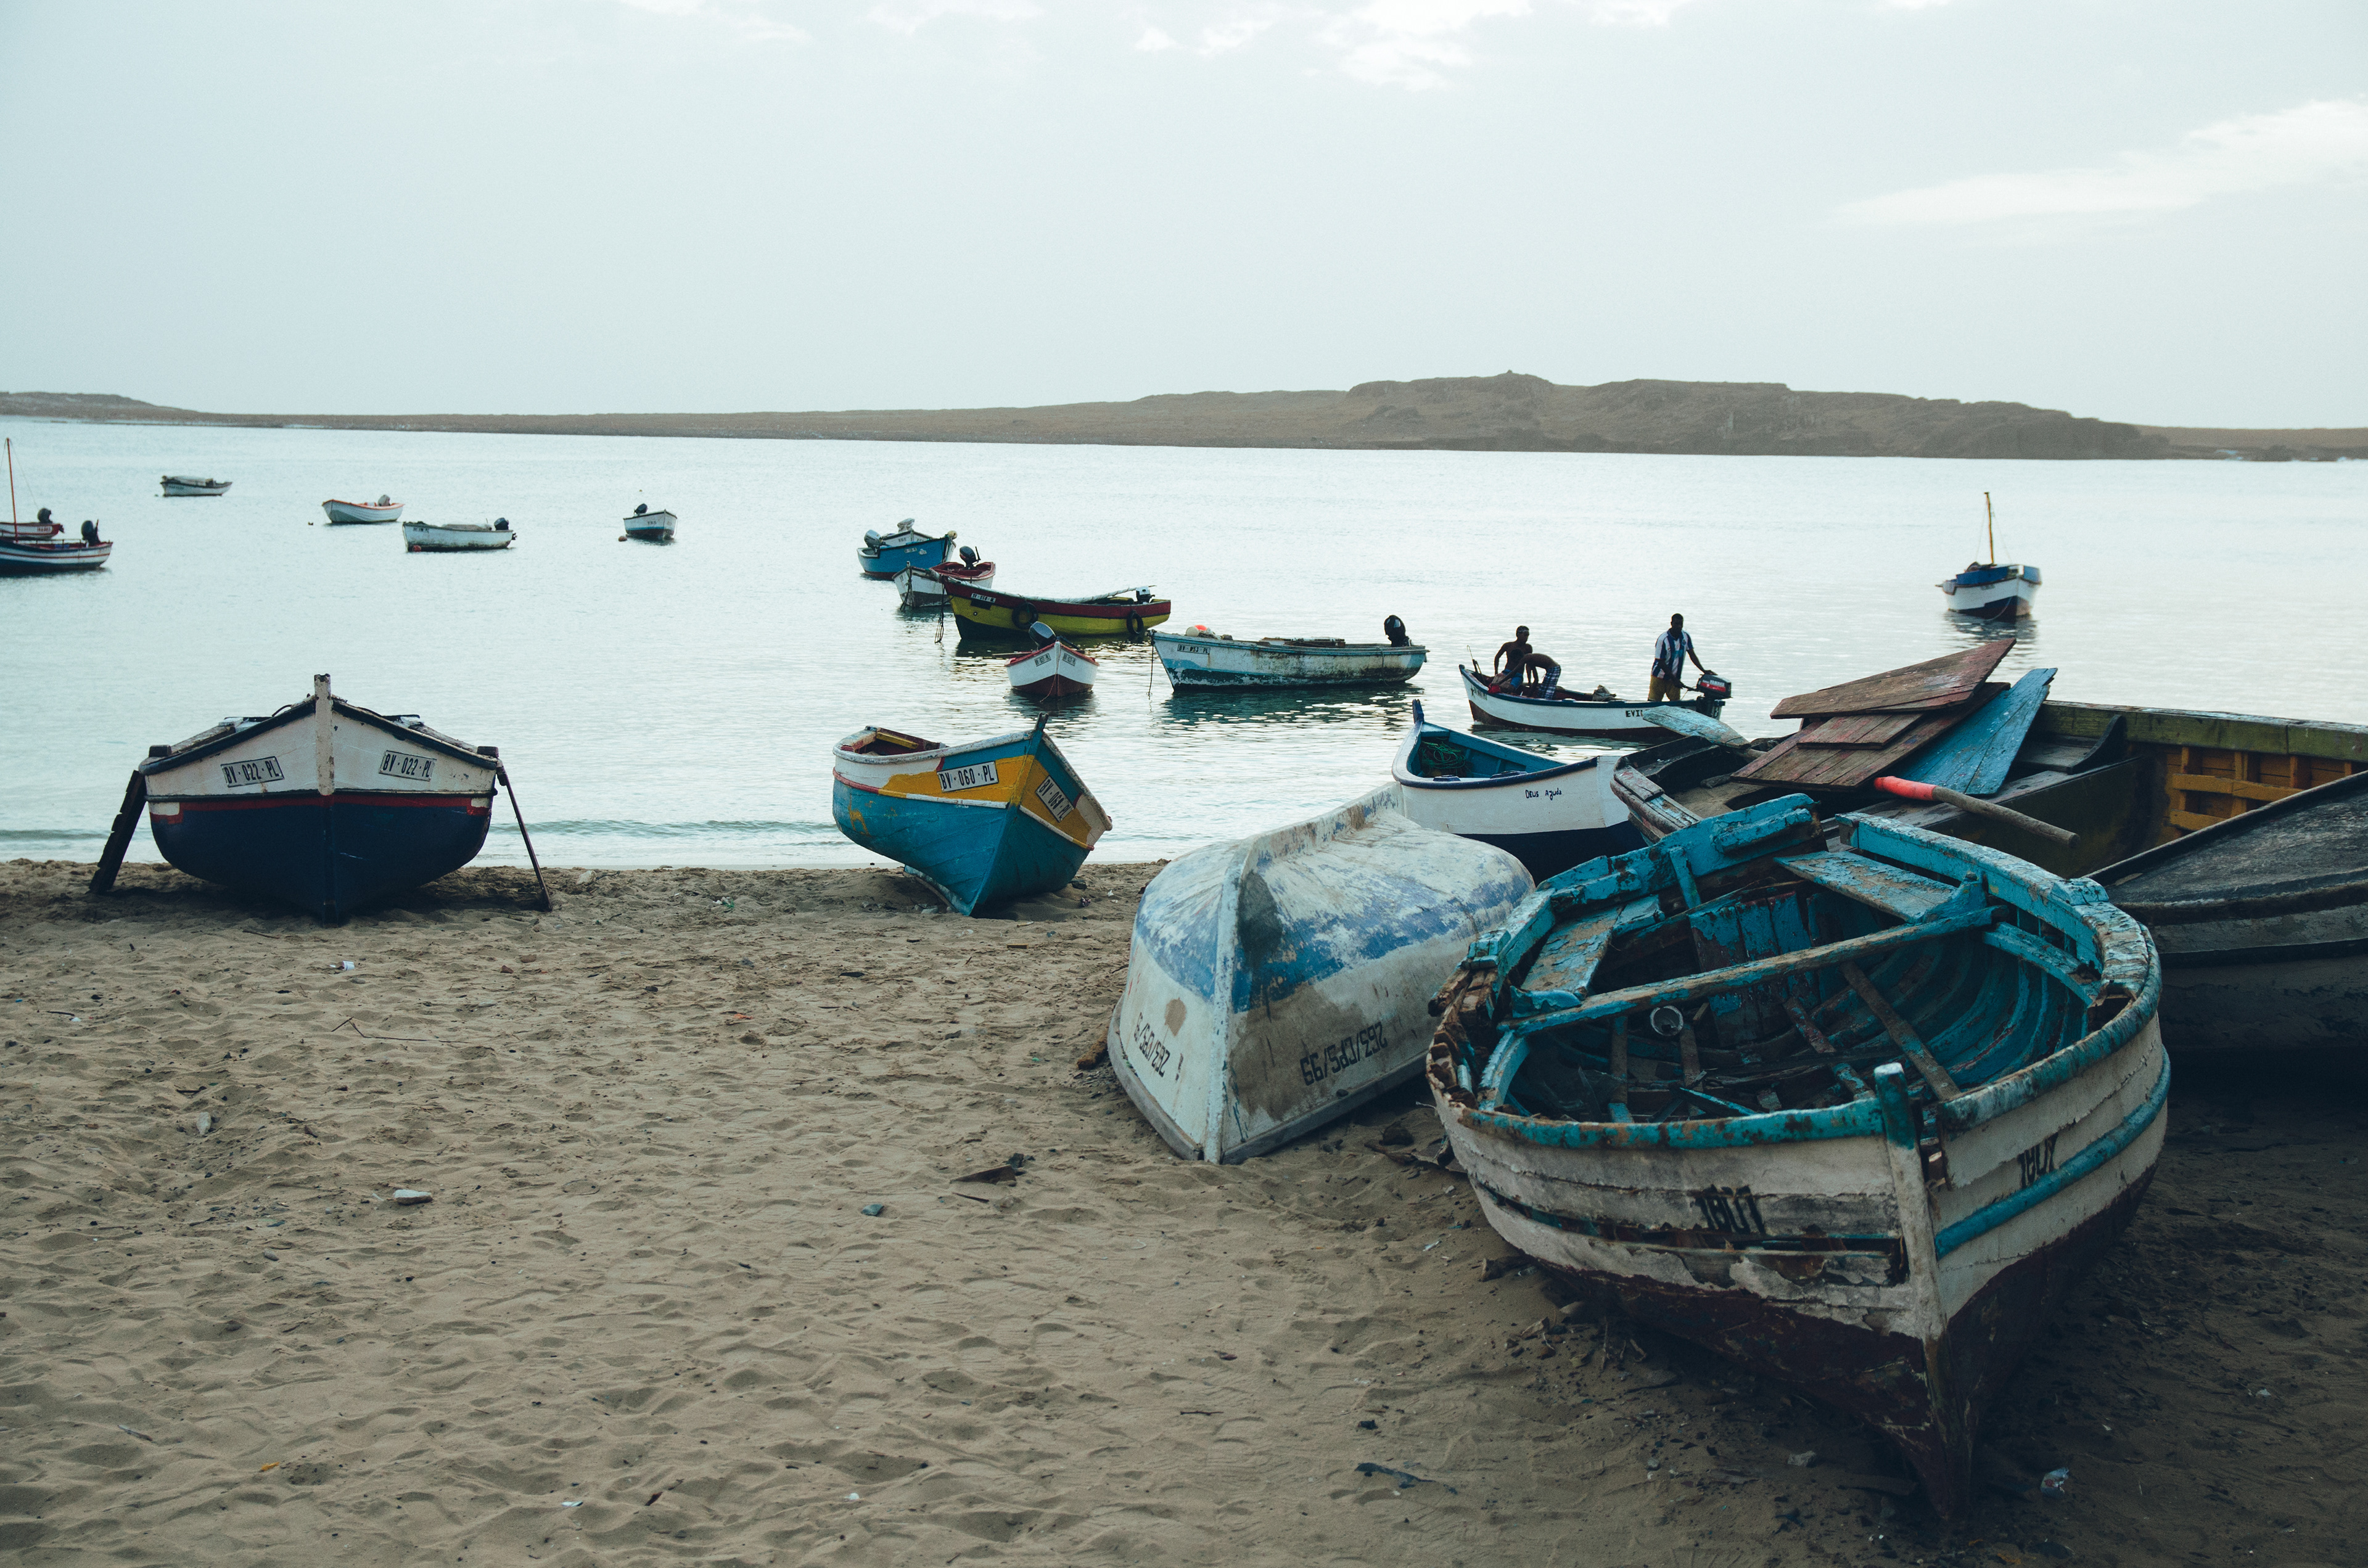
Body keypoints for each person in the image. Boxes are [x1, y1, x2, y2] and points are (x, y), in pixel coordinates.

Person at [1650, 613, 1704, 702]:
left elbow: (1692, 655)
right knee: (1653, 703)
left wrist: (1704, 671)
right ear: (1671, 624)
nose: (1679, 627)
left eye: (1681, 624)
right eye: (1676, 624)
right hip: (1659, 677)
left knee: (1676, 704)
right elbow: (1661, 662)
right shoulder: (1663, 640)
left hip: (1675, 679)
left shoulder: (1685, 637)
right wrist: (1674, 679)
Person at [1492, 626, 1535, 690]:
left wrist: (1529, 682)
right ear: (1518, 635)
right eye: (1525, 635)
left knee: (1510, 688)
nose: (1527, 638)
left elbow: (1529, 665)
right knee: (1495, 686)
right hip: (1506, 672)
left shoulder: (1528, 648)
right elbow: (1497, 657)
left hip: (1518, 675)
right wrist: (1496, 673)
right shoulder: (1508, 645)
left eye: (1528, 635)